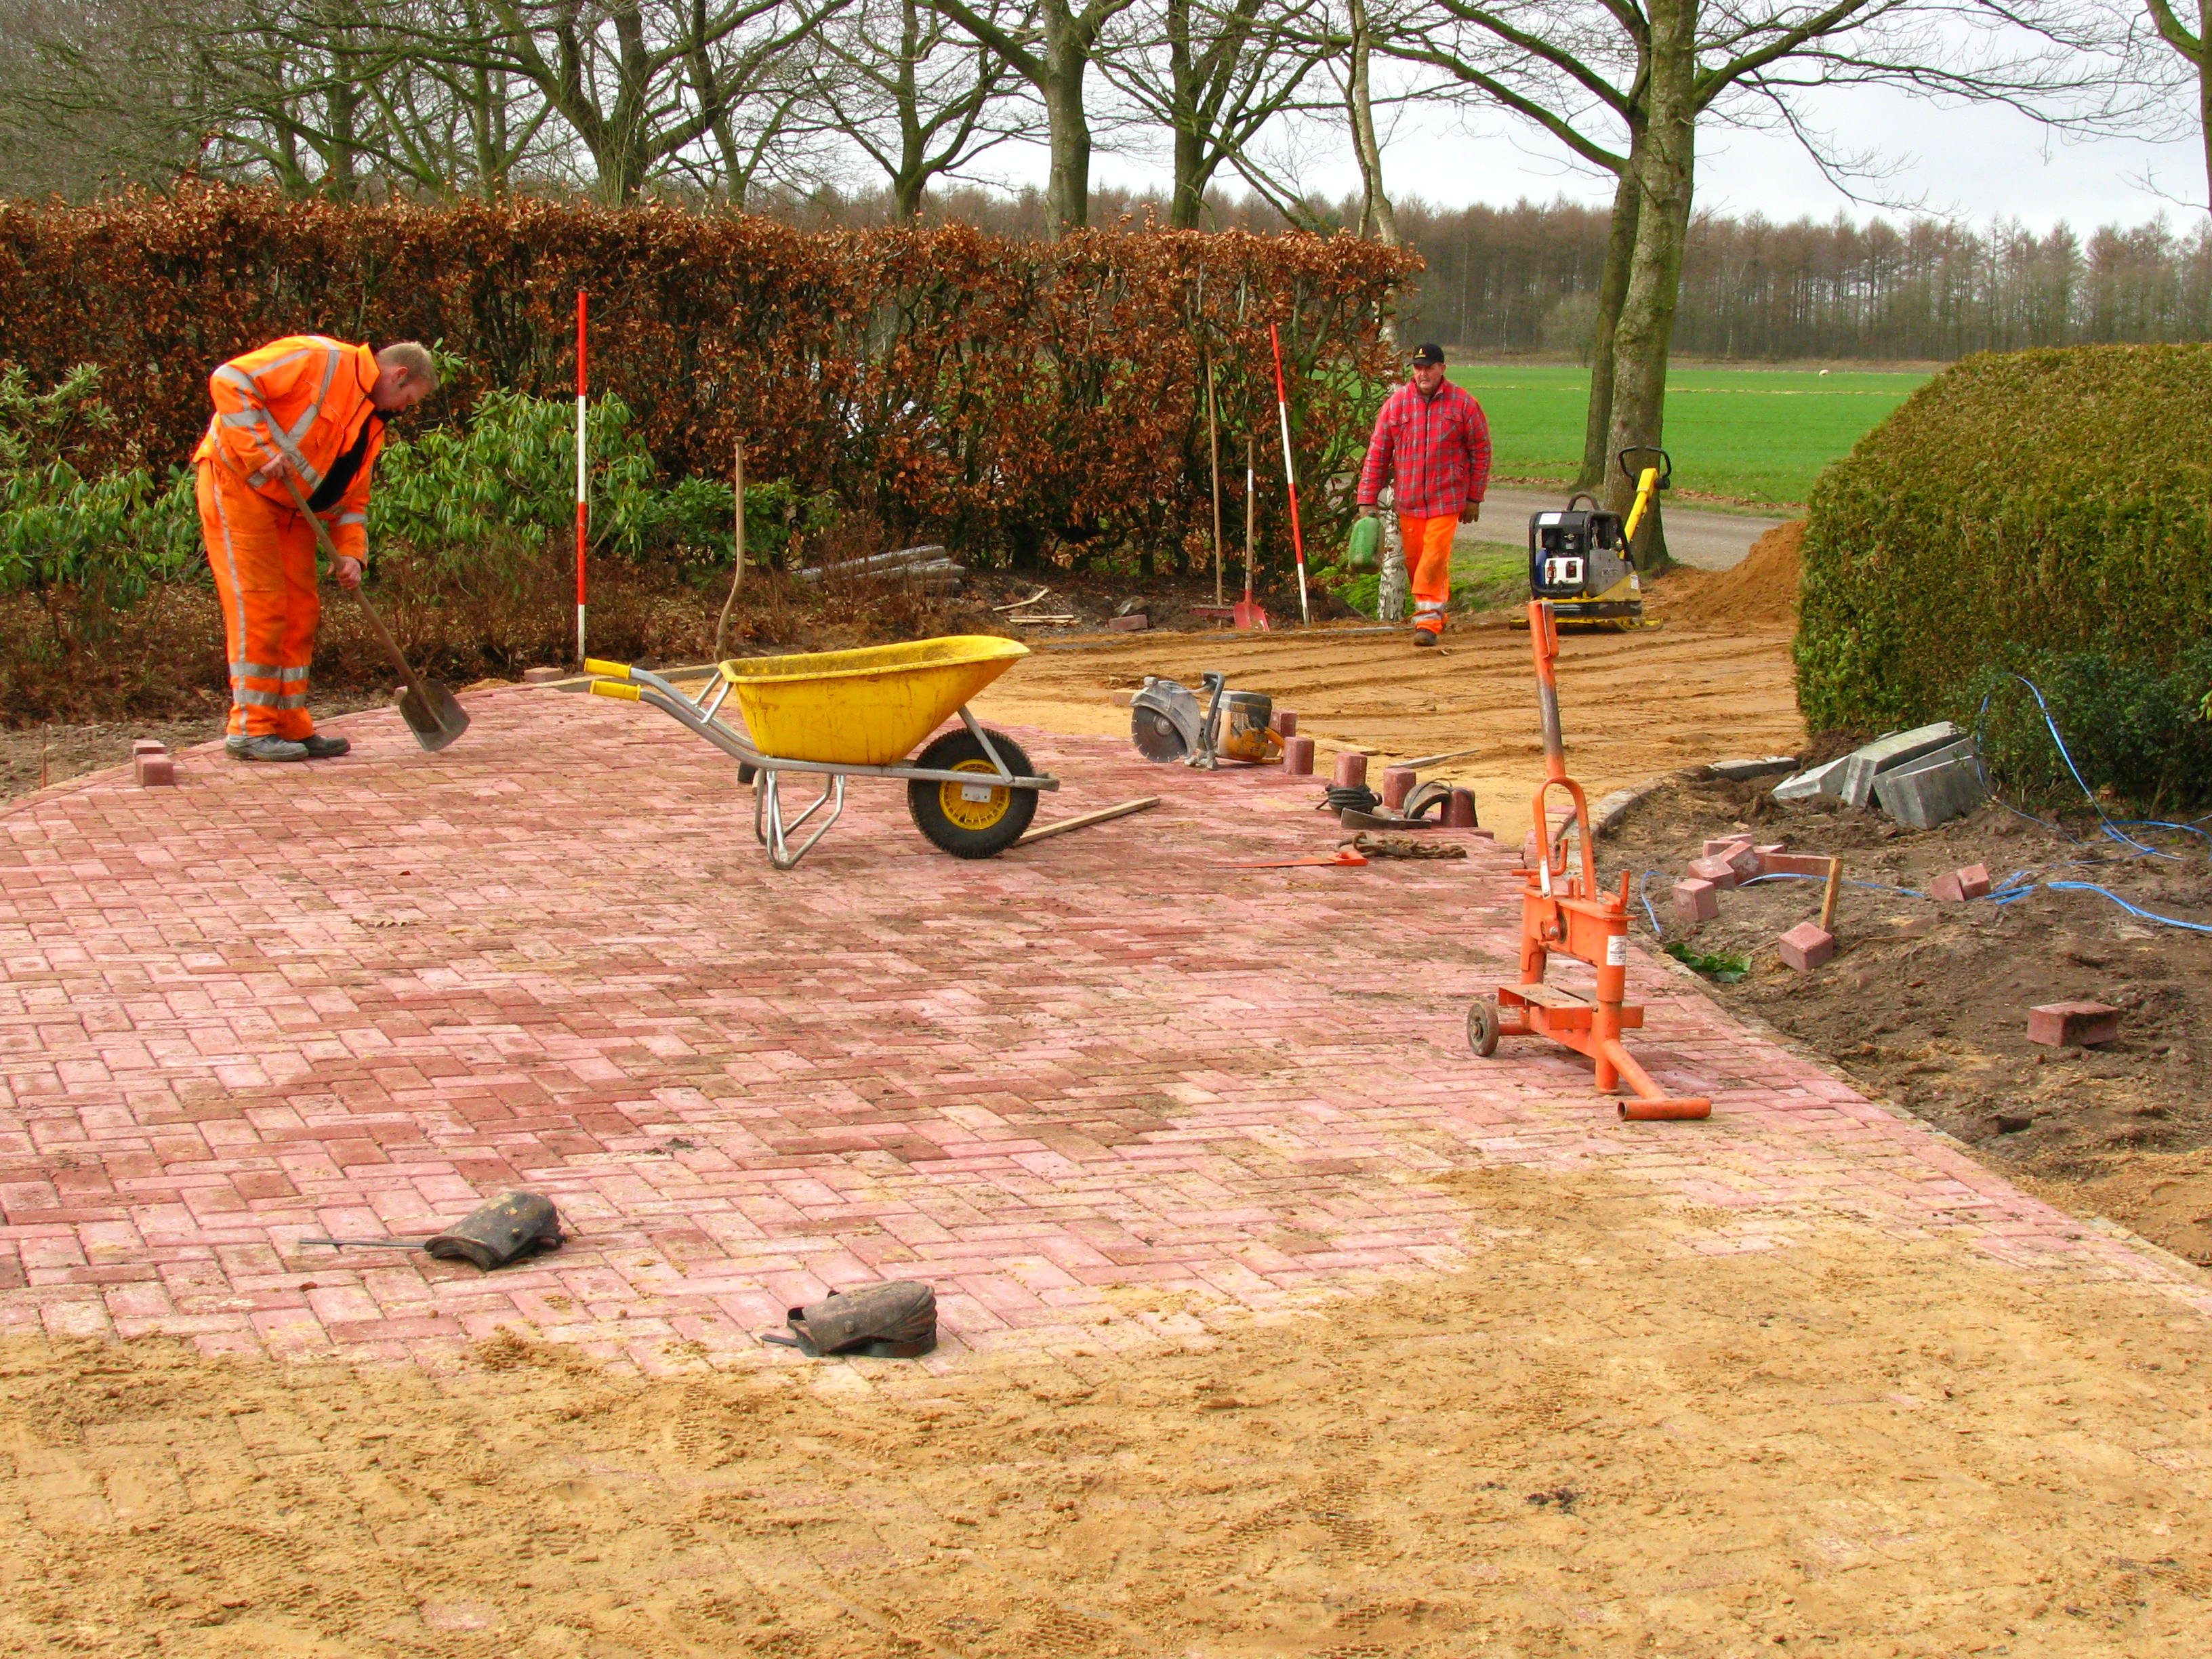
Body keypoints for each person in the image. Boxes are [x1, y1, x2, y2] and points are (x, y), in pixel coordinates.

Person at [192, 337, 437, 761]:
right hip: (240, 486)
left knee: (301, 611)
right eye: (409, 399)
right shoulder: (317, 358)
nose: (404, 410)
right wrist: (261, 450)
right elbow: (230, 379)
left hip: (294, 508)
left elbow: (352, 499)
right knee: (261, 607)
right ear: (399, 375)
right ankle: (249, 730)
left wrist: (351, 555)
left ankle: (288, 725)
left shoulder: (373, 424)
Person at [1356, 342, 1491, 648]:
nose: (1423, 373)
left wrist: (1474, 497)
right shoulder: (1397, 405)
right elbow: (1378, 454)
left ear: (1442, 369)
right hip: (1409, 501)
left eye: (1429, 367)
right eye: (1418, 368)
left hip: (1447, 500)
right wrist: (1367, 497)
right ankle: (1435, 611)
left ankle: (1427, 622)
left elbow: (1481, 451)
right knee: (1417, 562)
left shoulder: (1464, 404)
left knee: (1434, 557)